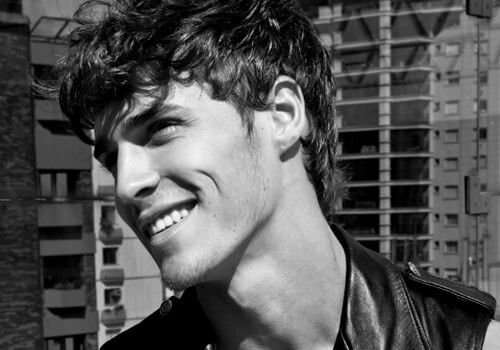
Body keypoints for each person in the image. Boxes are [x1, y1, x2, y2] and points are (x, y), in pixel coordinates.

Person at [39, 0, 500, 348]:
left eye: (161, 128)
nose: (126, 184)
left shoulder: (462, 341)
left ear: (281, 114)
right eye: (112, 159)